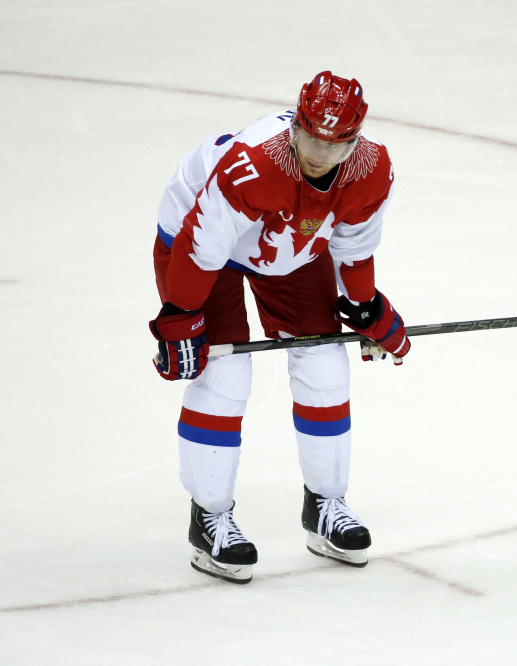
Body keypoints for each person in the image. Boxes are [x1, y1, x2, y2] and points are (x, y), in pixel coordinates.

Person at [149, 71, 410, 584]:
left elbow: (353, 250)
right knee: (224, 374)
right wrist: (179, 319)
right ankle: (210, 518)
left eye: (334, 145)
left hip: (288, 245)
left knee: (325, 364)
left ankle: (326, 508)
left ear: (355, 142)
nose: (318, 152)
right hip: (200, 247)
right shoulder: (255, 165)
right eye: (310, 136)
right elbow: (200, 247)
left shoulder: (371, 169)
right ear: (296, 121)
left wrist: (366, 309)